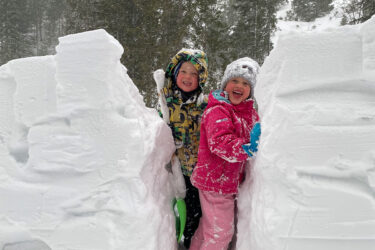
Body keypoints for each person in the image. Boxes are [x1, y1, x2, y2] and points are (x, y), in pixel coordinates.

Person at [189, 57, 261, 250]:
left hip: (226, 181)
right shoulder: (218, 110)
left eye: (246, 83)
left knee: (209, 226)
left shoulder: (250, 114)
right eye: (234, 81)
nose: (239, 86)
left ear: (251, 91)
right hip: (215, 182)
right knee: (221, 233)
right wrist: (246, 149)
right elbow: (219, 142)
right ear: (225, 84)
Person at [162, 48, 209, 249]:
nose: (188, 77)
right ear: (175, 73)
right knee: (179, 210)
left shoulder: (205, 104)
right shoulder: (166, 103)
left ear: (201, 78)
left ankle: (191, 242)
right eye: (183, 72)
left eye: (194, 73)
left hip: (199, 170)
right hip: (177, 170)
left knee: (197, 212)